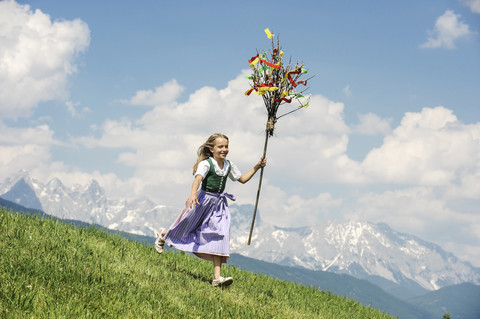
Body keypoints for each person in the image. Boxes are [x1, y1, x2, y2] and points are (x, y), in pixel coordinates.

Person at [154, 133, 266, 287]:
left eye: (226, 146)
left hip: (219, 205)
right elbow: (198, 179)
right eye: (220, 146)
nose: (224, 149)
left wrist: (257, 167)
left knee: (220, 234)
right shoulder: (207, 164)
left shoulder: (229, 165)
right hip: (203, 201)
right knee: (187, 229)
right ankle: (164, 234)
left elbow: (243, 179)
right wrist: (193, 193)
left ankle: (216, 278)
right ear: (211, 149)